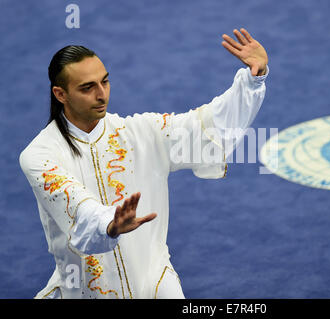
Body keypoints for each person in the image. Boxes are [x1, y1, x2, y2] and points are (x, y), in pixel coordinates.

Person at [19, 28, 269, 299]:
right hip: (84, 292)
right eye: (87, 88)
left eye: (105, 82)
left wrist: (252, 81)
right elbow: (79, 208)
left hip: (155, 282)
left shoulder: (139, 132)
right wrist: (110, 224)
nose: (102, 94)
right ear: (60, 94)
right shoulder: (39, 155)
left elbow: (204, 125)